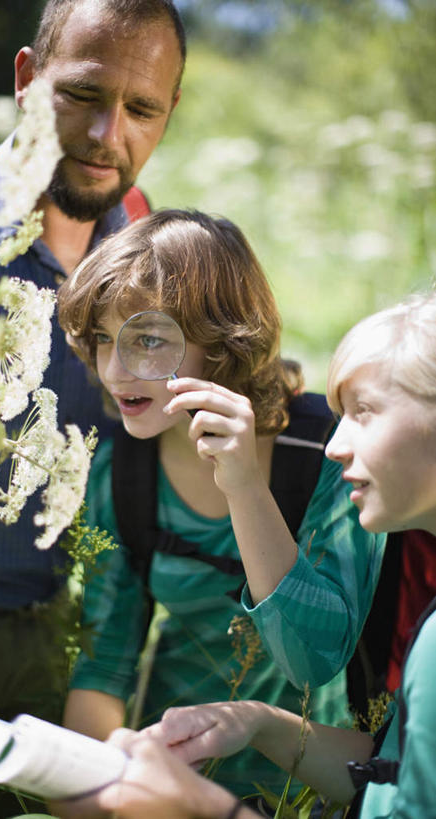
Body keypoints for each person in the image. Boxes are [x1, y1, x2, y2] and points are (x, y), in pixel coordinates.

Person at [0, 0, 185, 734]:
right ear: (27, 77)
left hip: (59, 639)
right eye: (82, 94)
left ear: (168, 113)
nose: (105, 134)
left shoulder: (146, 251)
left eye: (140, 109)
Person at [54, 209, 385, 810]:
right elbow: (104, 665)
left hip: (314, 791)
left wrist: (244, 488)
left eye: (147, 339)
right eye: (104, 338)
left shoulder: (329, 456)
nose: (113, 370)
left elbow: (311, 663)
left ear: (224, 340)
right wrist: (98, 783)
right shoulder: (123, 469)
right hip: (169, 783)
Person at [90, 290, 436, 819]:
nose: (334, 444)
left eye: (363, 411)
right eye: (99, 340)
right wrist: (256, 723)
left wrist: (207, 809)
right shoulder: (120, 465)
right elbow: (389, 775)